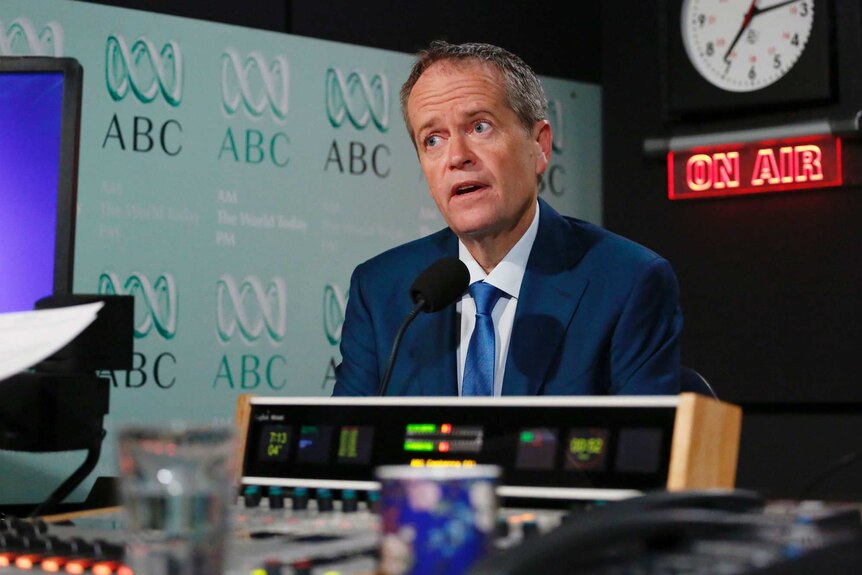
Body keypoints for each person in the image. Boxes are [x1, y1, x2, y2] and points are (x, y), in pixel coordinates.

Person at [332, 41, 682, 397]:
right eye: (433, 139)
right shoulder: (381, 291)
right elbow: (347, 443)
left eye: (479, 127)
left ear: (540, 146)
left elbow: (641, 447)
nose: (456, 157)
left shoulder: (627, 283)